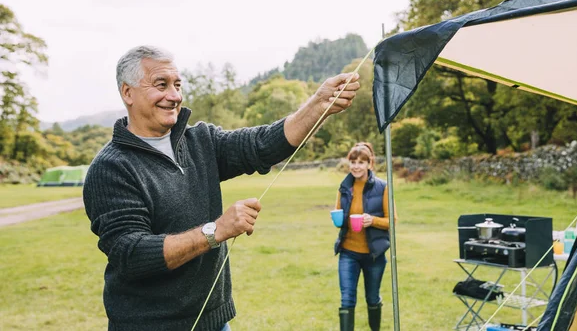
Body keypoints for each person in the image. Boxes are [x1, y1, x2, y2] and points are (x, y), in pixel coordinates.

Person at [82, 45, 360, 331]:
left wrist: (318, 105)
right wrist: (216, 231)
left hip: (214, 321)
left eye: (177, 85)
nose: (175, 95)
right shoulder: (111, 168)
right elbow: (132, 254)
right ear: (127, 93)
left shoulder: (200, 141)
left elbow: (261, 145)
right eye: (161, 85)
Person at [334, 142, 394, 331]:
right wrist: (337, 218)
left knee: (372, 298)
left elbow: (391, 220)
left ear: (370, 164)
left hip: (374, 255)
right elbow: (338, 212)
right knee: (347, 299)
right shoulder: (344, 187)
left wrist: (372, 220)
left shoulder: (382, 187)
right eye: (353, 161)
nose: (356, 166)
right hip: (348, 252)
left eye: (361, 162)